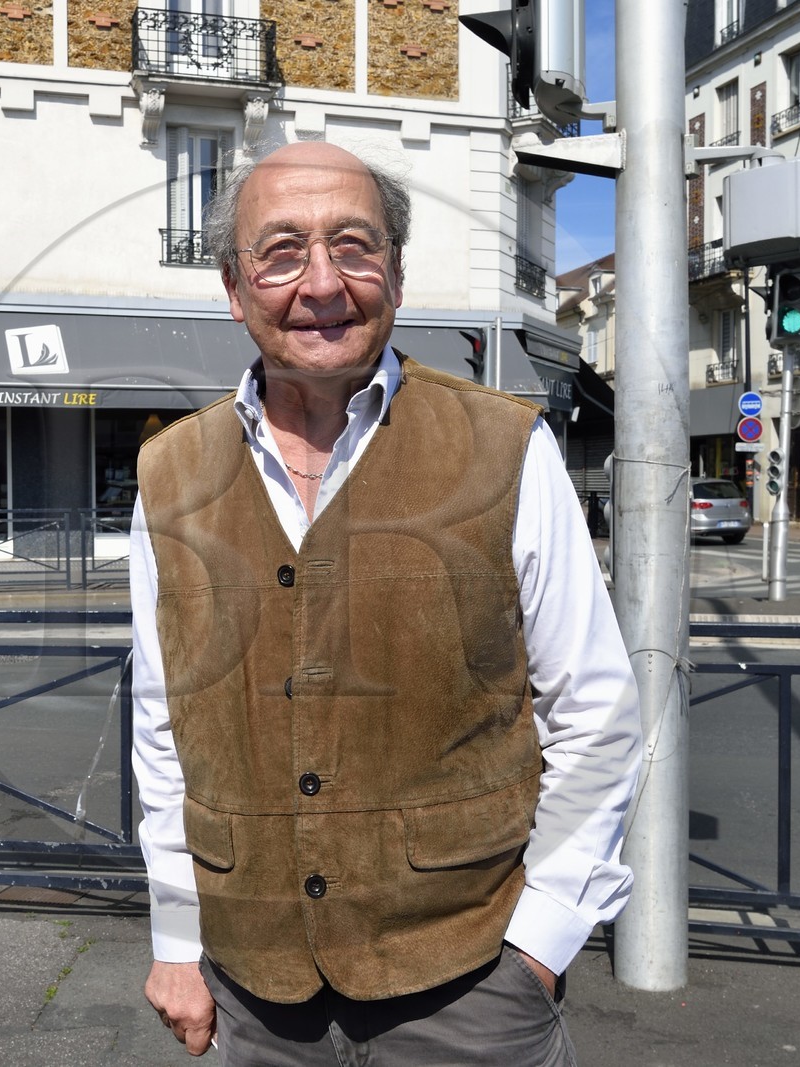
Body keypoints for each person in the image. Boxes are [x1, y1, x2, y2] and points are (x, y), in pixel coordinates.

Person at [128, 141, 642, 1064]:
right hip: (256, 989)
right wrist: (177, 941)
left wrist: (541, 943)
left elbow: (597, 716)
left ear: (396, 276)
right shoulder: (169, 475)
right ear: (235, 285)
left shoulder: (505, 447)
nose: (322, 282)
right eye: (282, 251)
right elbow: (166, 728)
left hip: (469, 983)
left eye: (354, 246)